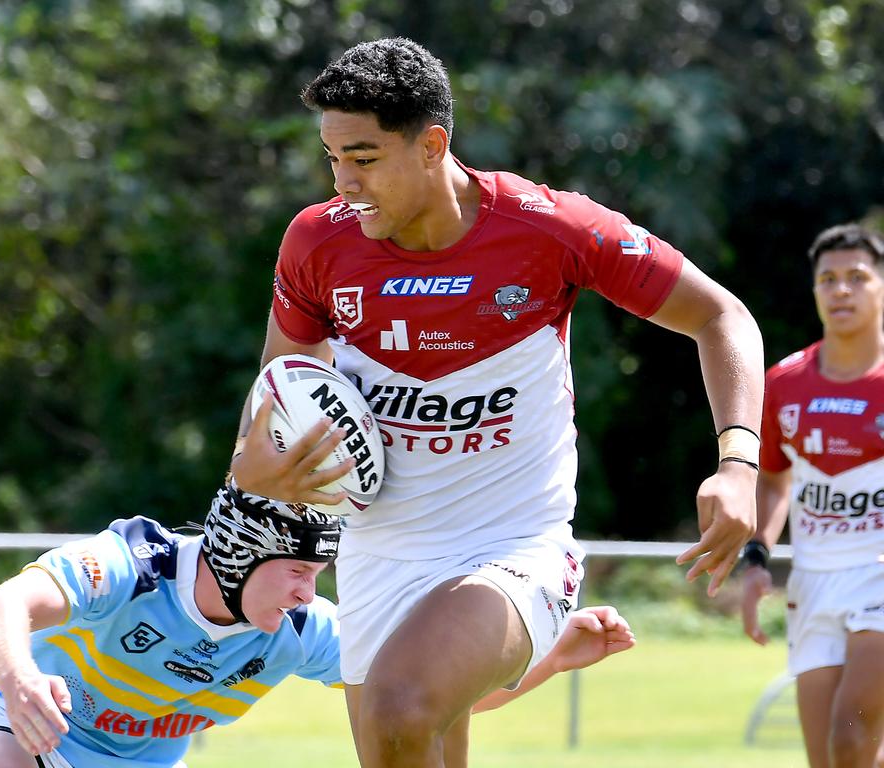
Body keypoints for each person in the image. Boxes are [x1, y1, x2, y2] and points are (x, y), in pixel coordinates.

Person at [230, 37, 764, 768]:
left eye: (363, 158)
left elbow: (722, 318)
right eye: (333, 160)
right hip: (376, 551)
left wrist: (737, 462)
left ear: (431, 145)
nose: (344, 181)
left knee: (399, 708)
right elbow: (279, 388)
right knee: (407, 744)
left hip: (513, 546)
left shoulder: (550, 229)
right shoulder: (316, 243)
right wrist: (256, 471)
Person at [0, 480, 636, 768]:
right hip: (18, 738)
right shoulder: (133, 564)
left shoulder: (299, 632)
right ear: (238, 553)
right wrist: (19, 681)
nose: (307, 591)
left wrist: (555, 659)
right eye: (296, 571)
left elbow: (440, 705)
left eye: (317, 575)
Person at [741, 223, 884, 768]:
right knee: (827, 758)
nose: (841, 290)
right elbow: (773, 479)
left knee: (851, 739)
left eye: (857, 277)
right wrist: (757, 560)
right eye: (828, 279)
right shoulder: (785, 382)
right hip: (813, 580)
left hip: (878, 573)